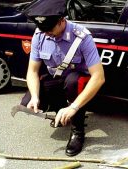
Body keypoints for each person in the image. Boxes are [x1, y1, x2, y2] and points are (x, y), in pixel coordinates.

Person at [20, 0, 105, 156]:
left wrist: (74, 107)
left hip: (77, 82)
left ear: (61, 21)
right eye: (42, 29)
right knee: (27, 102)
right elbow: (32, 71)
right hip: (56, 79)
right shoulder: (40, 35)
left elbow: (98, 77)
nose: (46, 33)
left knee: (73, 81)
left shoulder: (82, 37)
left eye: (50, 29)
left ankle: (77, 131)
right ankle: (61, 112)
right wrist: (34, 97)